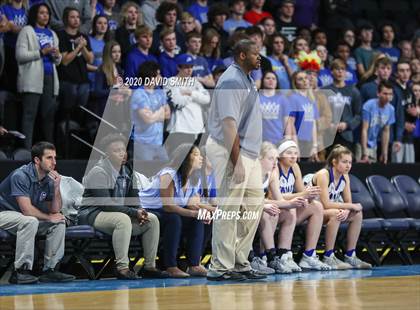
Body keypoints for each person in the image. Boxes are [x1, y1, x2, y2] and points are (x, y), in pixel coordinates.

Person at [206, 39, 266, 281]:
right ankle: (220, 266)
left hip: (248, 152)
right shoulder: (231, 80)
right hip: (230, 149)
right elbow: (228, 124)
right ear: (242, 55)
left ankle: (240, 261)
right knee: (229, 209)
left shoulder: (247, 78)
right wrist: (237, 160)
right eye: (255, 53)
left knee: (253, 206)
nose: (259, 57)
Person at [79, 134, 165, 280]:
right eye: (116, 150)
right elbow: (105, 204)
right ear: (106, 154)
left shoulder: (129, 171)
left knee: (152, 219)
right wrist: (133, 212)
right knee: (123, 219)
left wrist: (140, 211)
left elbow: (134, 199)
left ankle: (149, 267)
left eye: (123, 150)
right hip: (92, 214)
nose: (122, 153)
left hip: (117, 213)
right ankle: (122, 268)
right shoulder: (98, 171)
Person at [0, 142, 75, 284]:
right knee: (30, 221)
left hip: (20, 216)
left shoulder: (48, 179)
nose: (54, 162)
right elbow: (27, 210)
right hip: (3, 212)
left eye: (55, 158)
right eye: (49, 158)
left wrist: (57, 186)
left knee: (59, 222)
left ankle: (50, 270)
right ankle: (21, 271)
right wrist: (48, 217)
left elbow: (54, 210)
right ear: (36, 160)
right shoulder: (20, 175)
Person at [140, 144, 211, 278]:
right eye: (196, 155)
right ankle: (170, 266)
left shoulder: (193, 179)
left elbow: (191, 204)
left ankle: (194, 264)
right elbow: (168, 206)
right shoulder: (168, 174)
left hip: (168, 212)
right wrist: (193, 213)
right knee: (174, 218)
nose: (201, 158)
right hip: (147, 209)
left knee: (199, 218)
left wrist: (205, 212)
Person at [250, 142, 308, 274]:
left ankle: (276, 256)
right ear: (259, 158)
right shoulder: (252, 172)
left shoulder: (271, 174)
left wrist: (294, 203)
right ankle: (263, 256)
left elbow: (279, 199)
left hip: (255, 207)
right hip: (239, 209)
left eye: (275, 159)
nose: (274, 162)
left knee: (276, 210)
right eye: (271, 159)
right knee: (266, 212)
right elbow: (250, 200)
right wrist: (269, 205)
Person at [312, 145, 372, 269]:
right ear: (334, 162)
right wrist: (348, 207)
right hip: (312, 212)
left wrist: (346, 210)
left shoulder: (345, 177)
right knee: (336, 214)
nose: (348, 165)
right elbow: (325, 204)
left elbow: (348, 201)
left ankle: (350, 255)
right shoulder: (324, 175)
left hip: (327, 211)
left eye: (350, 162)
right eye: (344, 162)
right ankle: (328, 256)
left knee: (357, 214)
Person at [276, 140, 331, 271]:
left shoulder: (295, 167)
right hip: (274, 210)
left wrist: (311, 195)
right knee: (292, 208)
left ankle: (309, 255)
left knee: (317, 206)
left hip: (288, 209)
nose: (293, 156)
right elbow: (274, 197)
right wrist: (302, 195)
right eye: (289, 153)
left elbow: (301, 191)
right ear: (281, 155)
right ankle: (283, 256)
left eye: (295, 153)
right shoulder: (275, 168)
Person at [16, 3, 61, 150]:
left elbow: (58, 61)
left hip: (50, 78)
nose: (45, 16)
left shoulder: (52, 33)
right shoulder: (27, 31)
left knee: (48, 118)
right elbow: (20, 56)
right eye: (42, 13)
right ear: (35, 14)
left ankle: (49, 153)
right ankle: (26, 150)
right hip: (31, 79)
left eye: (47, 13)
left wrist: (56, 55)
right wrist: (42, 52)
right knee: (29, 116)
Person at [164, 53, 210, 155]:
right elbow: (177, 102)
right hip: (180, 128)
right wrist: (195, 95)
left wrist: (190, 93)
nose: (189, 70)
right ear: (178, 67)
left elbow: (207, 99)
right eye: (186, 67)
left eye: (191, 67)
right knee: (179, 161)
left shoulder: (195, 82)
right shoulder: (171, 81)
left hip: (197, 128)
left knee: (196, 162)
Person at [57, 7, 94, 125]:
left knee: (81, 111)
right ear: (66, 19)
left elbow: (90, 59)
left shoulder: (84, 37)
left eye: (78, 17)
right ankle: (64, 129)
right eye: (72, 17)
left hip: (83, 79)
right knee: (67, 111)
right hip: (67, 80)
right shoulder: (61, 35)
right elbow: (65, 61)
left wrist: (82, 46)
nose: (76, 20)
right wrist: (78, 47)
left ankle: (76, 130)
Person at [130, 61, 170, 161]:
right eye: (158, 74)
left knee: (165, 172)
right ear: (151, 77)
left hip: (159, 143)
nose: (161, 77)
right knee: (145, 174)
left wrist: (154, 115)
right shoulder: (139, 94)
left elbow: (168, 114)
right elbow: (147, 119)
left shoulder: (160, 92)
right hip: (142, 144)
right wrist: (161, 111)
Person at [323, 59, 362, 154]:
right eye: (337, 69)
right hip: (328, 134)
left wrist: (347, 124)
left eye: (343, 69)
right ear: (331, 71)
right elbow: (319, 113)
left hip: (347, 135)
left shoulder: (353, 91)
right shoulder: (324, 91)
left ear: (346, 72)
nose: (340, 71)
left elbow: (358, 115)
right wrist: (328, 124)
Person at [360, 81, 395, 164]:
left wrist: (384, 153)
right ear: (378, 93)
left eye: (390, 94)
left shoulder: (391, 109)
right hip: (361, 144)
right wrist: (364, 152)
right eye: (385, 94)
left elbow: (386, 131)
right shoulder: (369, 105)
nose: (388, 97)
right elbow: (364, 129)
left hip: (373, 145)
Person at [259, 71, 286, 145]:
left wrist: (286, 139)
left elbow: (286, 121)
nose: (271, 80)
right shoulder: (256, 98)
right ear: (262, 81)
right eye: (268, 78)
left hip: (279, 139)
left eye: (274, 79)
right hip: (261, 140)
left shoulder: (282, 99)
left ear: (277, 82)